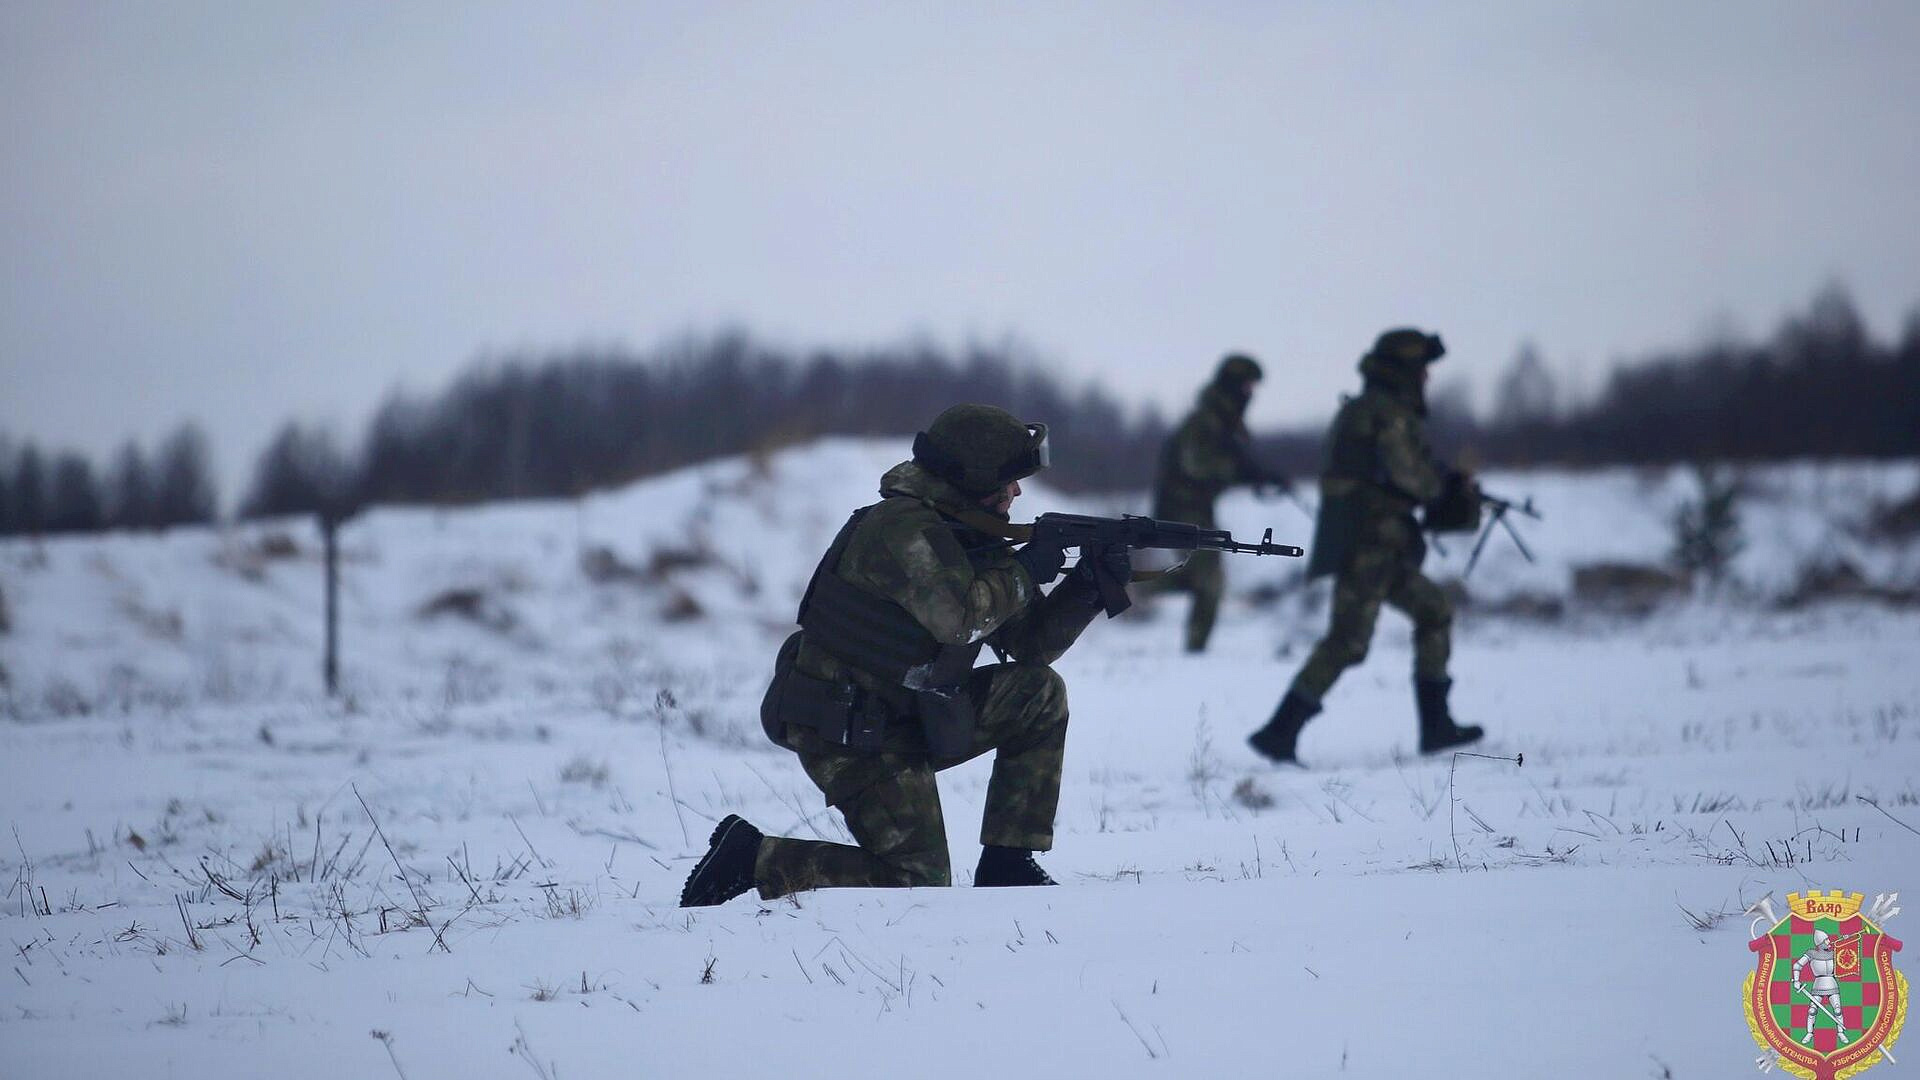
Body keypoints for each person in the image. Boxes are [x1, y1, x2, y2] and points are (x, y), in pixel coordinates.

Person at [680, 404, 1129, 906]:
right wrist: (1027, 569)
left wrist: (1090, 585)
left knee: (1037, 695)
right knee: (917, 883)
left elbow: (1029, 647)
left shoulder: (967, 532)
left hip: (908, 713)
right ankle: (753, 858)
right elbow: (960, 621)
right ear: (973, 477)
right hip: (848, 730)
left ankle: (1009, 864)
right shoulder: (900, 531)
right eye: (1009, 480)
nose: (1017, 492)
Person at [1248, 328, 1484, 765]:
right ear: (1406, 370)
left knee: (1433, 611)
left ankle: (1436, 726)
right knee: (1347, 641)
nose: (1428, 379)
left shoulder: (1370, 411)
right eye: (1422, 370)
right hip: (1370, 545)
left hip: (1381, 545)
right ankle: (1279, 732)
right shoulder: (1385, 413)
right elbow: (1411, 477)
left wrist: (1447, 487)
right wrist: (1448, 489)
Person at [1150, 353, 1289, 653]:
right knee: (1208, 580)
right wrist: (1239, 471)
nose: (1251, 395)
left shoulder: (1220, 422)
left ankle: (1131, 589)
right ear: (1233, 386)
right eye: (1247, 387)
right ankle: (1193, 648)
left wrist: (1255, 476)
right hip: (1182, 510)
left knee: (1200, 577)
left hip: (1194, 510)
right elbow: (1196, 465)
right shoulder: (1204, 421)